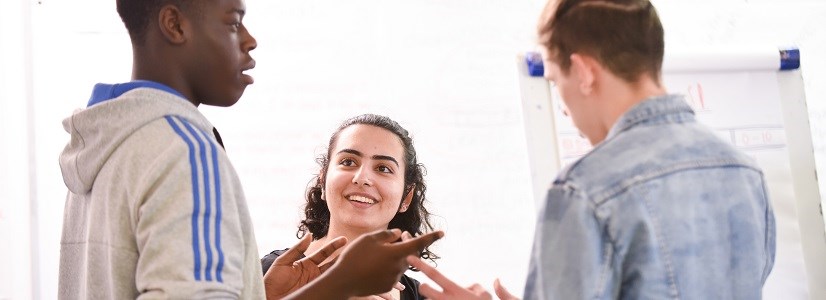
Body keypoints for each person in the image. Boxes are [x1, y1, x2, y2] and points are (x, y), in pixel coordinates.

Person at [57, 0, 441, 298]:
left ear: (407, 195)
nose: (250, 39)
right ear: (174, 24)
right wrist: (336, 287)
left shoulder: (108, 142)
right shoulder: (187, 153)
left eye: (384, 168)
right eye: (233, 20)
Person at [407, 0, 776, 299]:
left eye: (555, 80)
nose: (563, 107)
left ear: (583, 72)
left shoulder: (583, 189)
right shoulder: (744, 171)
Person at [261, 114, 438, 300]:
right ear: (323, 181)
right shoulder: (268, 276)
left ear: (406, 198)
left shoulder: (420, 296)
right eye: (348, 162)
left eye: (383, 168)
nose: (362, 178)